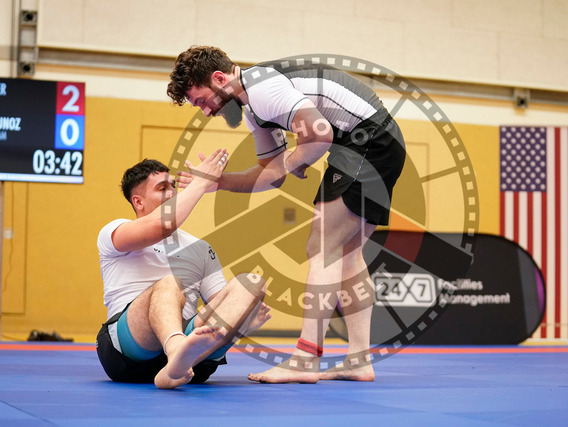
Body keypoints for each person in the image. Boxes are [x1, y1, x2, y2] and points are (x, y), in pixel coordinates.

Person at [167, 46, 406, 383]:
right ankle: (358, 360)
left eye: (202, 101)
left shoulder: (263, 89)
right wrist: (218, 182)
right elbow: (272, 175)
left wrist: (297, 159)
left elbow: (319, 135)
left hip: (368, 141)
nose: (206, 112)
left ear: (219, 79)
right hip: (374, 142)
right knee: (347, 255)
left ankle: (305, 359)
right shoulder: (254, 108)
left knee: (321, 248)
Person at [96, 151, 271, 389]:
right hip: (130, 349)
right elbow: (162, 226)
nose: (172, 193)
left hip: (194, 355)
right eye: (162, 188)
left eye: (173, 186)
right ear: (138, 202)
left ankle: (178, 365)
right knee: (170, 283)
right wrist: (201, 183)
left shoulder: (200, 248)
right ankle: (176, 350)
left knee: (251, 283)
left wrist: (242, 321)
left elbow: (219, 307)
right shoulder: (115, 231)